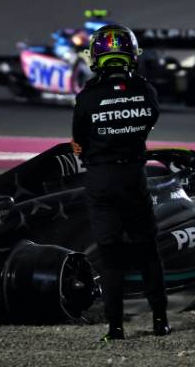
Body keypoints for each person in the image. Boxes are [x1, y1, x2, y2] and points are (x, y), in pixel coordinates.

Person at [71, 24, 169, 342]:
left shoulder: (87, 96)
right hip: (134, 177)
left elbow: (79, 141)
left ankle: (115, 328)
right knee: (148, 251)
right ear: (132, 55)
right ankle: (160, 322)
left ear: (96, 57)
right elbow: (150, 120)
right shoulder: (146, 90)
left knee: (110, 256)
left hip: (101, 179)